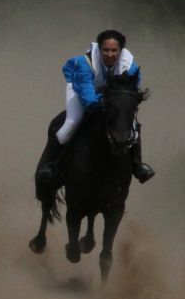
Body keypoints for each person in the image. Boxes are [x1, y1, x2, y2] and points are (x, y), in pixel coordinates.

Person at [34, 30, 155, 187]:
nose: (110, 54)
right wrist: (110, 102)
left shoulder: (129, 66)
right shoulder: (84, 64)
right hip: (82, 90)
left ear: (120, 51)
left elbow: (130, 90)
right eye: (106, 50)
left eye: (114, 50)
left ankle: (138, 166)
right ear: (99, 50)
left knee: (132, 124)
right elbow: (89, 100)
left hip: (111, 95)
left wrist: (123, 104)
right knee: (72, 121)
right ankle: (49, 164)